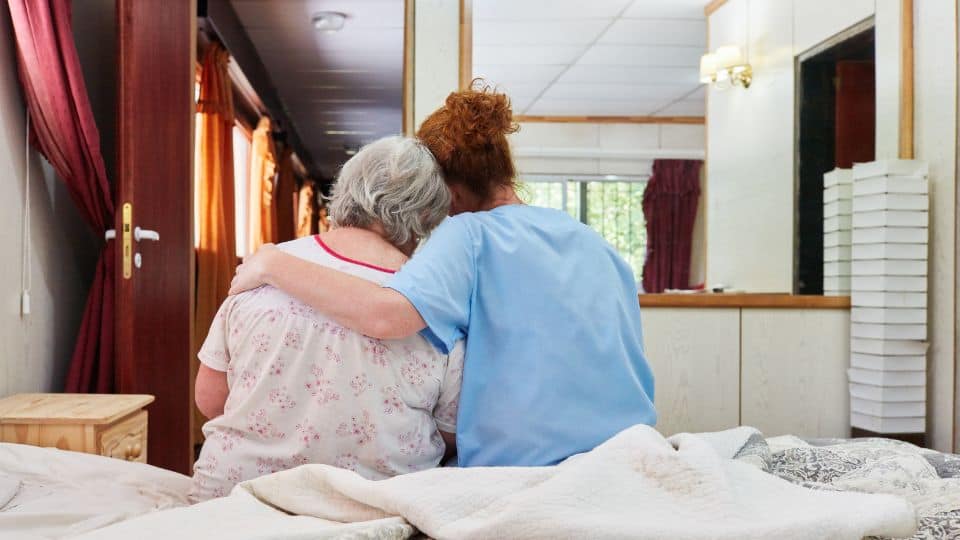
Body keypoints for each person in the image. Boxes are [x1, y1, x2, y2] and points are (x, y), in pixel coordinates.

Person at [231, 84, 656, 468]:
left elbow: (386, 315)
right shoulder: (591, 240)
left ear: (450, 193)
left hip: (525, 468)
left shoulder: (469, 234)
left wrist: (273, 262)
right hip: (626, 453)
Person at [190, 136, 463, 502]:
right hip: (373, 509)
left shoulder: (258, 271)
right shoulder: (433, 305)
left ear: (345, 190)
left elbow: (210, 398)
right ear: (427, 217)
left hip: (236, 501)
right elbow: (449, 432)